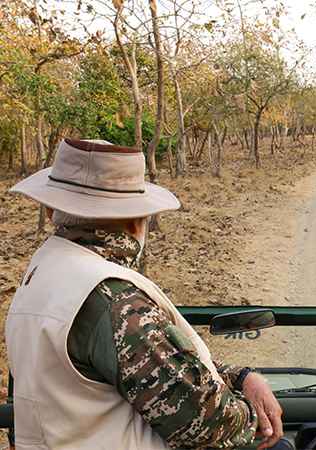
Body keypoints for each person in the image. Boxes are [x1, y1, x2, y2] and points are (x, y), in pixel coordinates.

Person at [6, 138, 283, 450]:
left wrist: (241, 377)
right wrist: (251, 416)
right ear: (136, 220)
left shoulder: (41, 273)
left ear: (51, 207)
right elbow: (204, 423)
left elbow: (143, 363)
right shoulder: (114, 298)